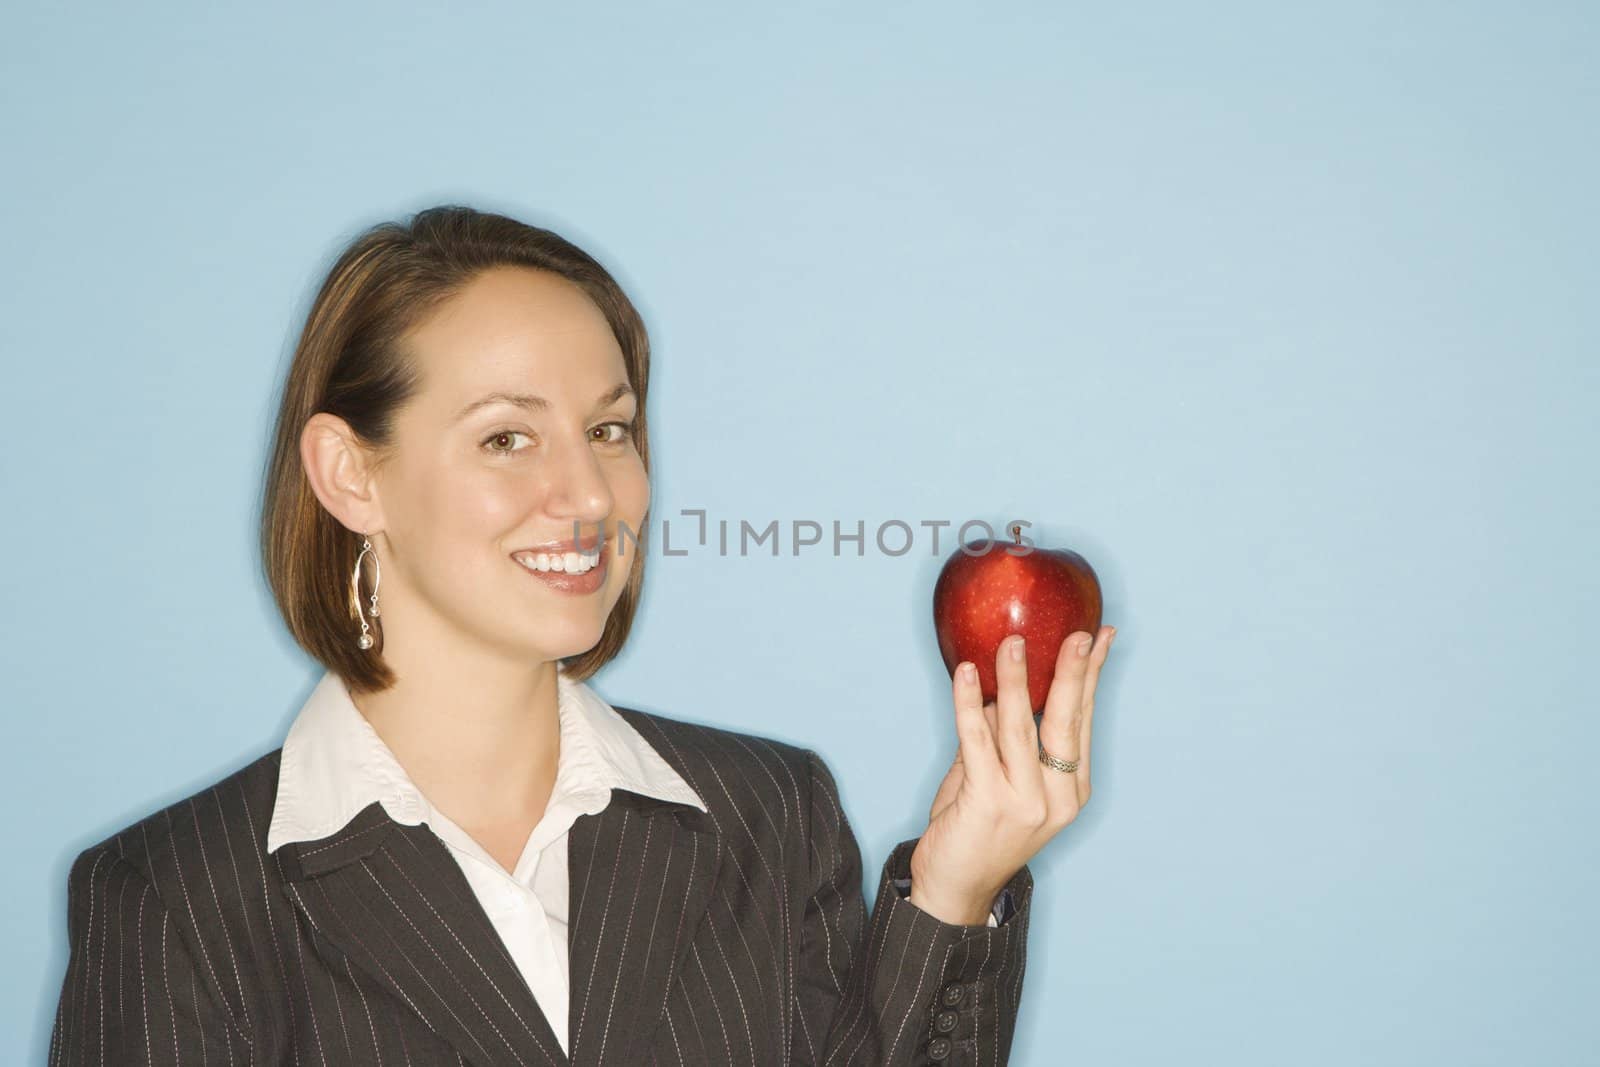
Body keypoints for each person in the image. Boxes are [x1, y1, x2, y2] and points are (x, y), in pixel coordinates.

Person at [47, 205, 1115, 1066]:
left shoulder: (767, 812)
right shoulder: (175, 896)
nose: (587, 491)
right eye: (506, 436)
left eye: (609, 429)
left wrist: (952, 890)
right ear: (350, 473)